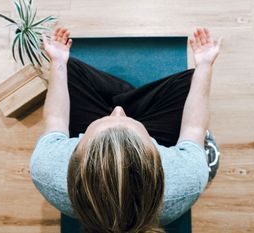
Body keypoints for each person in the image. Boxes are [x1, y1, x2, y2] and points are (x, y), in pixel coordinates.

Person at [30, 26, 222, 233]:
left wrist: (57, 61)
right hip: (160, 137)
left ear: (74, 154)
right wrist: (204, 65)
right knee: (190, 81)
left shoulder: (47, 168)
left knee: (70, 69)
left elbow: (56, 118)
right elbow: (194, 128)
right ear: (157, 157)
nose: (118, 111)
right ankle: (131, 96)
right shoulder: (186, 179)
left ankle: (125, 94)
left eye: (108, 118)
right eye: (128, 120)